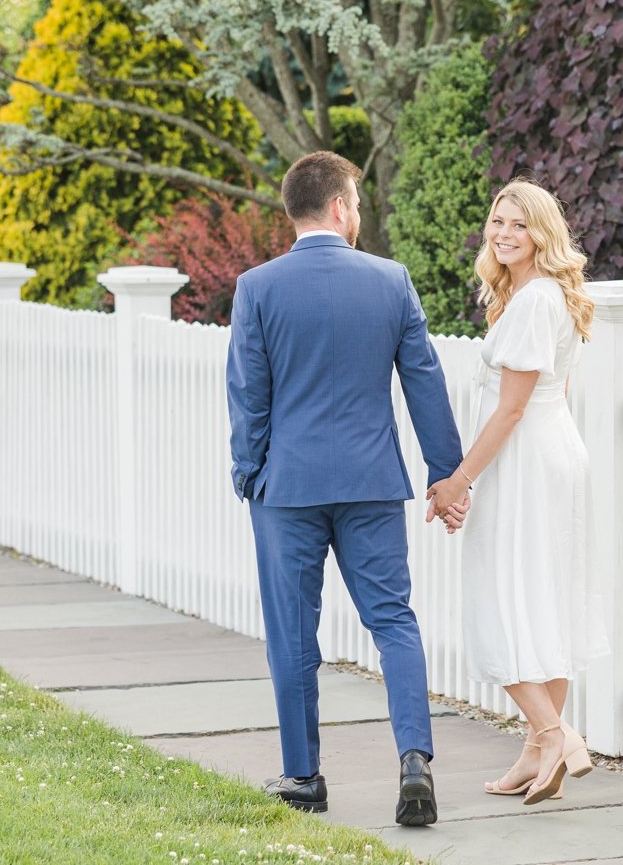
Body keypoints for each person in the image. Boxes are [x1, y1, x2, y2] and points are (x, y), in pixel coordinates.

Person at [226, 150, 468, 827]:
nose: (360, 214)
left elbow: (249, 395)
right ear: (338, 206)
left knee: (292, 633)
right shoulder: (391, 282)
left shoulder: (258, 287)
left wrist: (250, 474)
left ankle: (304, 776)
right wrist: (444, 477)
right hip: (371, 483)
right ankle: (414, 761)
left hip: (289, 487)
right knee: (394, 620)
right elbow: (425, 382)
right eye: (357, 203)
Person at [425, 178, 602, 806]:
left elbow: (511, 410)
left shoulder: (534, 302)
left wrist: (458, 481)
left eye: (519, 225)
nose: (503, 233)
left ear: (543, 233)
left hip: (528, 463)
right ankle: (537, 751)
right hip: (551, 456)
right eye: (498, 221)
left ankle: (558, 735)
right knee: (542, 599)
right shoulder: (538, 294)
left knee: (505, 598)